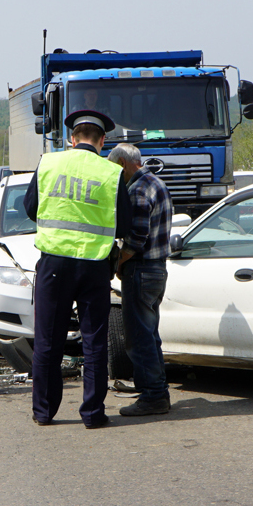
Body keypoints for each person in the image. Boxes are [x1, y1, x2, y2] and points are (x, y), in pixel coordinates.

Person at [24, 109, 131, 428]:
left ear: (72, 138)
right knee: (95, 342)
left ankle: (43, 412)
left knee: (47, 341)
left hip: (54, 264)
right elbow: (124, 223)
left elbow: (31, 209)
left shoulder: (49, 162)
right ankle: (93, 414)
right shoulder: (111, 173)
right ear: (102, 141)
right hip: (94, 267)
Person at [107, 143, 173, 416]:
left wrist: (119, 264)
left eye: (114, 168)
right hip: (157, 269)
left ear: (123, 163)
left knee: (138, 337)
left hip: (141, 270)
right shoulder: (156, 182)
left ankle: (153, 396)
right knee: (149, 335)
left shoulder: (137, 189)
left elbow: (135, 239)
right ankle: (156, 389)